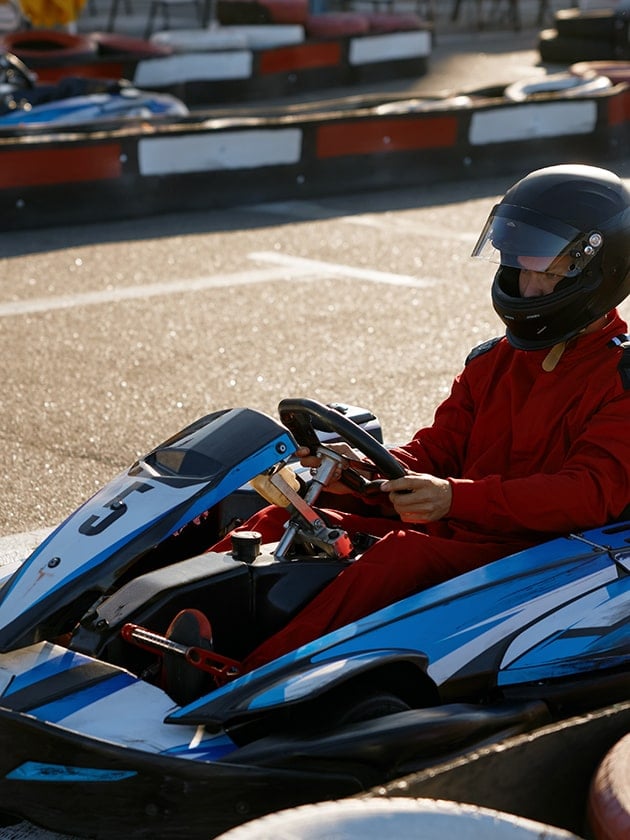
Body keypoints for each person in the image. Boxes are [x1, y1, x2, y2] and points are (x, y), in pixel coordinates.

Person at [167, 163, 630, 685]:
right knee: (281, 524)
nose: (526, 283)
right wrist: (355, 473)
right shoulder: (493, 361)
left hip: (547, 555)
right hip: (460, 530)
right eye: (520, 264)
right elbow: (435, 452)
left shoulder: (620, 376)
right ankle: (137, 633)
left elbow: (590, 495)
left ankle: (239, 682)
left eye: (545, 268)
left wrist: (456, 498)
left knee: (401, 557)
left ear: (596, 271)